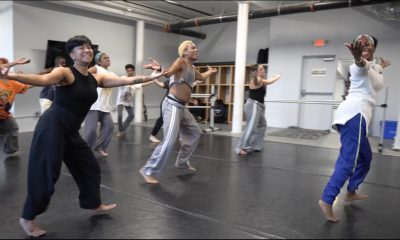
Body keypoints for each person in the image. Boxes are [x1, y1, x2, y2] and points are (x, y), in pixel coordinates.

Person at [0, 35, 163, 237]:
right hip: (52, 128)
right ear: (71, 54)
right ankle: (27, 217)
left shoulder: (96, 78)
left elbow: (128, 80)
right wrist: (13, 76)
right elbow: (43, 79)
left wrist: (156, 74)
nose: (86, 50)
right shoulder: (65, 72)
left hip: (71, 130)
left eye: (88, 47)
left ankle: (93, 204)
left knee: (90, 167)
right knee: (46, 174)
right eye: (80, 48)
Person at [319, 35, 391, 222]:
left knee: (365, 158)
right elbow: (361, 66)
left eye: (368, 44)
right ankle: (327, 199)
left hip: (359, 119)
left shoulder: (375, 67)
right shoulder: (359, 66)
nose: (364, 46)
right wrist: (358, 58)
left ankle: (351, 191)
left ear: (374, 48)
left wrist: (383, 67)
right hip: (354, 115)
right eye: (361, 44)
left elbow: (374, 73)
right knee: (349, 160)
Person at [140, 40, 217, 184]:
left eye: (196, 48)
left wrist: (210, 72)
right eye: (193, 48)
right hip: (172, 105)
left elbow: (201, 77)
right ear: (185, 52)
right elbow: (169, 73)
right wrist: (159, 69)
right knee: (169, 141)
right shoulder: (181, 61)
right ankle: (148, 170)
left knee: (195, 133)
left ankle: (182, 162)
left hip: (182, 108)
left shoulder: (192, 68)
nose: (196, 50)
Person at [235, 64, 280, 155]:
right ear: (255, 72)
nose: (264, 70)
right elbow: (269, 81)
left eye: (263, 69)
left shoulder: (259, 80)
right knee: (251, 127)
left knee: (262, 125)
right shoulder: (257, 79)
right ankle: (241, 147)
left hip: (258, 106)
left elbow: (266, 82)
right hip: (253, 105)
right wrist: (277, 77)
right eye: (261, 69)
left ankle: (256, 146)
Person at [84, 52, 116, 157]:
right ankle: (84, 152)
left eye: (108, 57)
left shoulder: (111, 74)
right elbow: (83, 74)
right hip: (93, 106)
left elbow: (124, 81)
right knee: (91, 131)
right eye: (105, 58)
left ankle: (100, 147)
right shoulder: (96, 68)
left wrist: (149, 78)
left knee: (109, 127)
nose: (108, 59)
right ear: (99, 61)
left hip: (105, 107)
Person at [0, 58, 32, 156]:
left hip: (4, 115)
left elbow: (27, 86)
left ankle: (11, 150)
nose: (2, 68)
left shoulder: (12, 83)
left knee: (13, 128)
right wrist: (14, 63)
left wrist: (46, 81)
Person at [116, 64, 153, 137]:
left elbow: (142, 85)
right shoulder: (123, 78)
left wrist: (153, 81)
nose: (129, 72)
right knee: (120, 115)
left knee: (131, 115)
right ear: (126, 71)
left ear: (133, 71)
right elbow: (117, 81)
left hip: (128, 101)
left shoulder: (134, 82)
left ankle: (123, 128)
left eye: (131, 70)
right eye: (128, 70)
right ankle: (121, 131)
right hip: (120, 100)